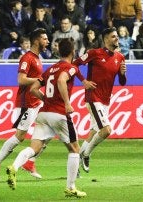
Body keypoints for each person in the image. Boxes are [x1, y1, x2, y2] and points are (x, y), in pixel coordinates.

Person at [6, 38, 88, 198]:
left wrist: (45, 100)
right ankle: (71, 187)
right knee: (75, 149)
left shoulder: (50, 69)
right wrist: (66, 103)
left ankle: (14, 167)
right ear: (73, 52)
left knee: (34, 148)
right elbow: (62, 80)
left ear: (59, 51)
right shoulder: (70, 68)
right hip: (59, 114)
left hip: (43, 113)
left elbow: (34, 89)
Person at [0, 28, 49, 181]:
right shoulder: (27, 58)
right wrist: (39, 80)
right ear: (36, 40)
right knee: (20, 137)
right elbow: (21, 80)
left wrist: (44, 97)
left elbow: (35, 82)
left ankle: (30, 162)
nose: (47, 41)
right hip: (25, 103)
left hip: (36, 102)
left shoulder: (37, 58)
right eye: (44, 39)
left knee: (49, 129)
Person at [72, 27, 127, 173]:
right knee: (106, 130)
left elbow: (122, 82)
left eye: (117, 36)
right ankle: (86, 154)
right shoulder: (94, 53)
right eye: (113, 36)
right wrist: (83, 81)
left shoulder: (120, 57)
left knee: (93, 132)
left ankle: (76, 162)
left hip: (105, 100)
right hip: (93, 97)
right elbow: (74, 65)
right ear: (105, 39)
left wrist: (122, 74)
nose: (117, 38)